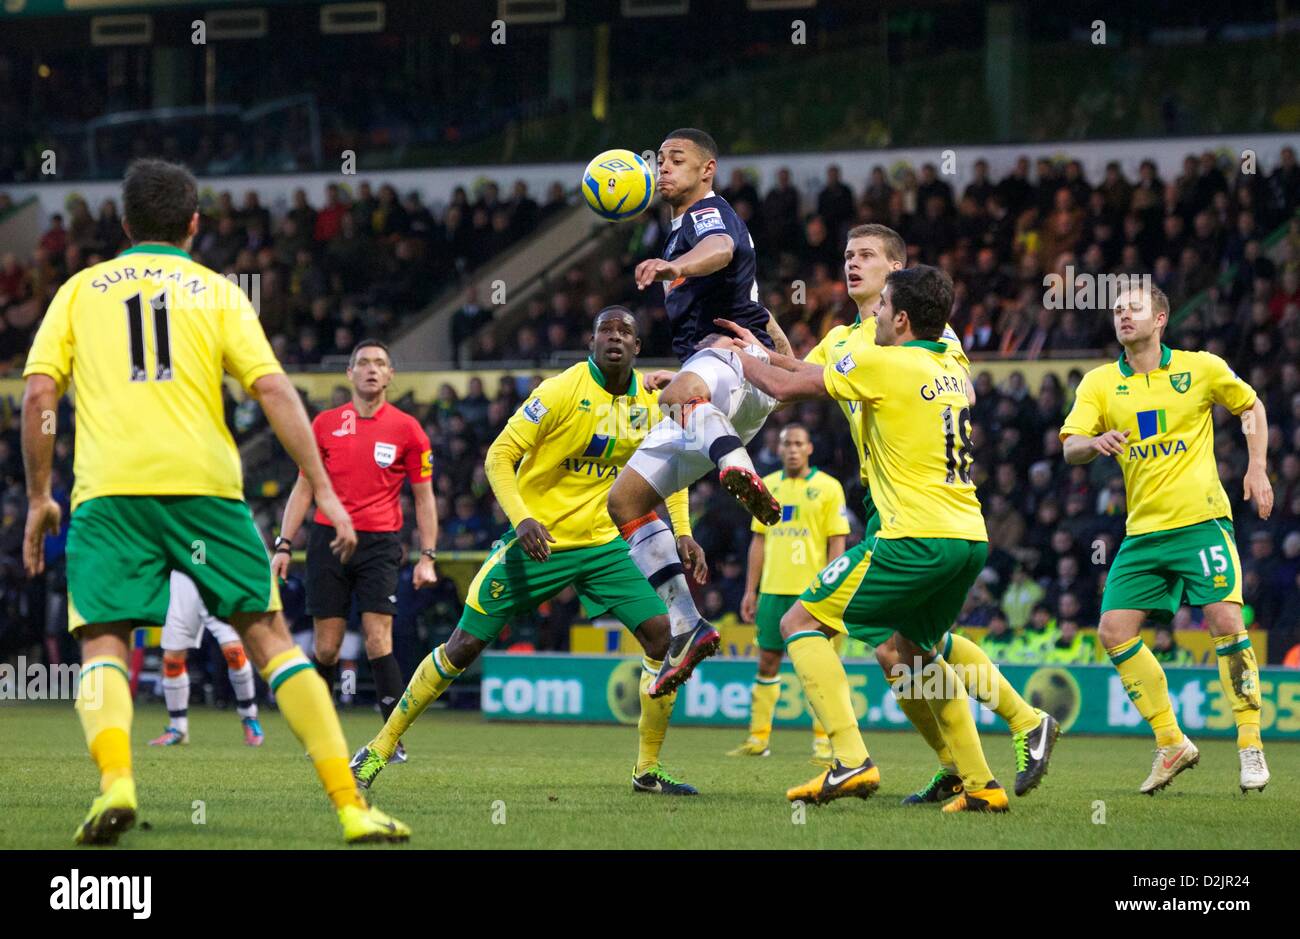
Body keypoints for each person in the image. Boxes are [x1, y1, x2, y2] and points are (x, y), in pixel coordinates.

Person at [21, 158, 407, 844]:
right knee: (269, 639)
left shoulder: (80, 290)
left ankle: (116, 782)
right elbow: (275, 392)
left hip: (110, 490)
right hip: (205, 487)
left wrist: (39, 495)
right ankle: (352, 806)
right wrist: (323, 487)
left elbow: (40, 397)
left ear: (123, 222)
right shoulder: (219, 292)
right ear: (195, 225)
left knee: (103, 640)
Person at [719, 225, 1059, 804]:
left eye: (867, 256)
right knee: (909, 650)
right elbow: (795, 371)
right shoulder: (850, 338)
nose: (853, 263)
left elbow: (956, 390)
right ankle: (973, 777)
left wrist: (724, 359)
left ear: (896, 272)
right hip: (936, 517)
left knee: (804, 625)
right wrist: (758, 337)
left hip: (912, 517)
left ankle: (863, 758)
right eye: (848, 255)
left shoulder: (907, 339)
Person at [350, 307, 706, 795]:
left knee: (664, 636)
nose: (616, 338)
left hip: (606, 546)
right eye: (607, 330)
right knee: (463, 647)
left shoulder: (650, 401)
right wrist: (523, 519)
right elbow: (499, 454)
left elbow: (668, 470)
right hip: (542, 541)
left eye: (626, 331)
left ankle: (647, 771)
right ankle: (379, 748)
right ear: (592, 340)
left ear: (639, 347)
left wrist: (682, 530)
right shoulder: (560, 390)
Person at [1060, 283, 1273, 794]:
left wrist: (1258, 469)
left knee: (1224, 617)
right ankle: (1172, 741)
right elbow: (1070, 448)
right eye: (1116, 309)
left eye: (1133, 307)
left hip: (1200, 522)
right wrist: (1093, 441)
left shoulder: (1201, 367)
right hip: (1143, 531)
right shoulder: (1099, 383)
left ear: (1159, 319)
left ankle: (1249, 745)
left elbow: (1251, 407)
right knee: (1113, 630)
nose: (1122, 315)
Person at [607, 128, 792, 698]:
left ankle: (738, 467)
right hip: (741, 384)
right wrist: (787, 364)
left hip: (727, 366)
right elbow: (757, 305)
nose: (663, 168)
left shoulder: (705, 217)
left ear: (707, 168)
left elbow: (721, 254)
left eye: (676, 159)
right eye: (658, 159)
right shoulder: (685, 228)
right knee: (627, 501)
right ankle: (688, 626)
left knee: (678, 394)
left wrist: (669, 268)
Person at [272, 339, 438, 764]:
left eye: (379, 363)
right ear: (349, 374)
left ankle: (391, 739)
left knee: (377, 639)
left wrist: (427, 556)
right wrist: (284, 544)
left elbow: (423, 497)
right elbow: (304, 487)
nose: (370, 369)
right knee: (326, 648)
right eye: (362, 362)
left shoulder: (408, 430)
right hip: (328, 541)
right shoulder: (325, 425)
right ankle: (322, 736)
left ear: (389, 376)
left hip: (381, 544)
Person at [730, 423, 849, 764]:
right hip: (773, 591)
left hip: (812, 595)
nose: (792, 449)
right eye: (787, 444)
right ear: (779, 449)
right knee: (767, 663)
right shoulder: (767, 486)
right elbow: (759, 540)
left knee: (820, 669)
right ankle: (757, 739)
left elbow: (837, 543)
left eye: (798, 443)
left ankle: (826, 745)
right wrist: (750, 591)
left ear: (810, 448)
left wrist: (832, 589)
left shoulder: (829, 488)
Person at [150, 570, 265, 747]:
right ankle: (177, 728)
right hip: (182, 580)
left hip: (216, 577)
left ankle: (249, 717)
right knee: (172, 661)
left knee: (235, 652)